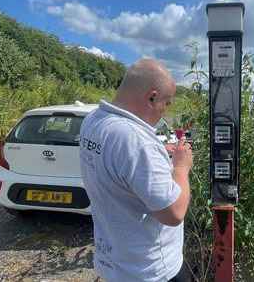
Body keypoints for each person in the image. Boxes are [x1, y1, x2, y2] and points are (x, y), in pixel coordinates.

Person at [79, 58, 193, 282]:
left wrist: (157, 151)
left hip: (115, 263)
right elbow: (173, 213)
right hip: (151, 271)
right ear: (151, 98)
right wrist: (181, 166)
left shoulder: (94, 120)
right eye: (166, 103)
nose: (164, 111)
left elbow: (119, 157)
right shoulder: (138, 143)